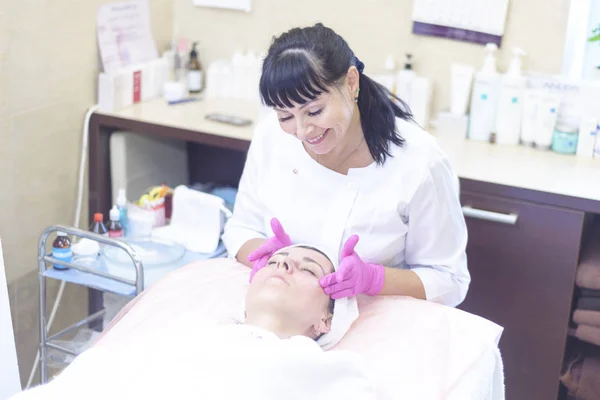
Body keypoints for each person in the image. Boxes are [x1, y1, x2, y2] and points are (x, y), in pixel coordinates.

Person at [222, 23, 470, 307]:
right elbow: (241, 226)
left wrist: (374, 279)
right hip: (286, 312)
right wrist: (264, 257)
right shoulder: (271, 136)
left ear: (351, 82)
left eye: (314, 111)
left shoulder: (419, 162)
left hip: (379, 321)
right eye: (285, 116)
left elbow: (449, 281)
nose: (302, 131)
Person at [12, 245, 373, 400]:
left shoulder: (328, 370)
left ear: (326, 320)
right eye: (275, 262)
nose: (284, 266)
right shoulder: (180, 338)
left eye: (308, 268)